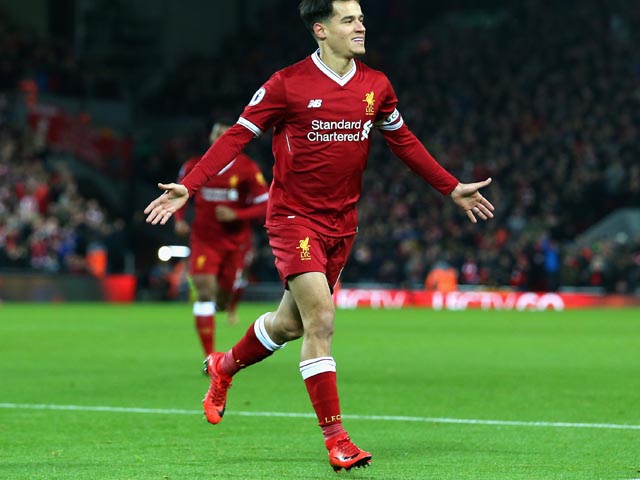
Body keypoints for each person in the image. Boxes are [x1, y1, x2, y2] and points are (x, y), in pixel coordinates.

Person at [144, 0, 495, 472]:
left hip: (342, 223)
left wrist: (450, 187)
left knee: (289, 325)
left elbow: (404, 141)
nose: (360, 26)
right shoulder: (286, 84)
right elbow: (237, 136)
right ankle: (337, 440)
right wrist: (190, 185)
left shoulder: (376, 85)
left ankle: (224, 366)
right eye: (349, 19)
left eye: (361, 18)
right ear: (320, 30)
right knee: (322, 320)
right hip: (294, 219)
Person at [173, 121, 269, 357]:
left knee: (223, 298)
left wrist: (237, 214)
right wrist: (179, 220)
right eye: (217, 134)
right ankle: (210, 357)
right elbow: (180, 193)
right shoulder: (194, 165)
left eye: (226, 135)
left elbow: (265, 204)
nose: (221, 139)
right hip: (204, 240)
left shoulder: (247, 168)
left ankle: (228, 307)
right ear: (211, 138)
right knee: (205, 291)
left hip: (236, 242)